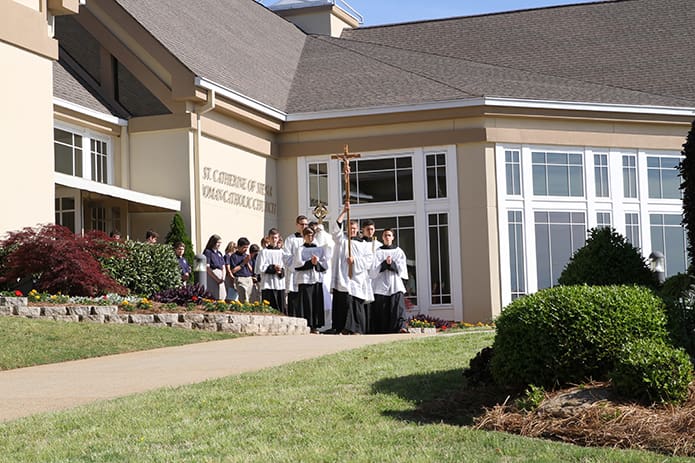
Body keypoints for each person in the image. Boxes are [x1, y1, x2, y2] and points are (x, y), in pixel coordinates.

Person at [330, 202, 373, 334]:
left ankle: (355, 329)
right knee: (343, 302)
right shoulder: (342, 241)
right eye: (350, 228)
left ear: (358, 229)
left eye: (354, 228)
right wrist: (344, 212)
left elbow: (369, 260)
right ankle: (342, 328)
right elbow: (335, 230)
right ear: (347, 228)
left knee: (355, 304)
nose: (352, 230)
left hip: (357, 278)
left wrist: (355, 261)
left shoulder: (364, 244)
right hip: (343, 277)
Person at [370, 229, 408, 333]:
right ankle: (381, 330)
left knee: (398, 308)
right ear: (382, 238)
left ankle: (401, 327)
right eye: (385, 235)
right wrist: (384, 264)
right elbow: (373, 270)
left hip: (395, 284)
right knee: (381, 310)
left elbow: (402, 269)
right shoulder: (377, 252)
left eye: (389, 235)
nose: (387, 237)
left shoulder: (398, 251)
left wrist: (391, 264)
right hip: (380, 285)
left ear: (393, 237)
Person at [294, 227, 328, 333]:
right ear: (304, 237)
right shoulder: (300, 249)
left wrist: (317, 263)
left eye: (312, 235)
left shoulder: (320, 249)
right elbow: (297, 264)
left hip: (316, 279)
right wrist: (310, 262)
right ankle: (306, 324)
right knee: (306, 303)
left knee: (316, 302)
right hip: (305, 279)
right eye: (308, 235)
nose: (310, 237)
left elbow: (325, 264)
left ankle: (315, 325)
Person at [357, 218, 381, 333]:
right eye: (368, 229)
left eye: (372, 229)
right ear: (363, 230)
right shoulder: (359, 243)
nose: (370, 231)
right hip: (363, 277)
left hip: (376, 278)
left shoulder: (379, 245)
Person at [254, 228, 286, 314]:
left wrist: (280, 271)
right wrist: (273, 267)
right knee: (268, 309)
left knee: (280, 308)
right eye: (272, 237)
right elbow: (260, 268)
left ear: (278, 238)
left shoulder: (282, 252)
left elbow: (286, 267)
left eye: (276, 238)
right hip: (268, 284)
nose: (274, 240)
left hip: (279, 284)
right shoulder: (263, 252)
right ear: (268, 238)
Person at [283, 215, 309, 317]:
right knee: (294, 298)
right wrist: (297, 266)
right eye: (302, 224)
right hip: (295, 273)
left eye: (306, 224)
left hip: (307, 275)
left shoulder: (310, 238)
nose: (304, 226)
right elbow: (286, 256)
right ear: (297, 225)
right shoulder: (290, 239)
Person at [229, 237, 254, 303]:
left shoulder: (246, 256)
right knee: (244, 298)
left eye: (247, 247)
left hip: (249, 278)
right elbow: (233, 270)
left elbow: (251, 270)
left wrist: (248, 262)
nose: (246, 249)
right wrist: (243, 263)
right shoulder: (234, 256)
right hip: (240, 278)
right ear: (239, 246)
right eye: (244, 247)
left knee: (249, 299)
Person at [203, 234, 226, 300]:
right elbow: (207, 267)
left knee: (222, 296)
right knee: (214, 295)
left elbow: (223, 266)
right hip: (212, 276)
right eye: (218, 242)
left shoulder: (219, 253)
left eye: (220, 243)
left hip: (221, 276)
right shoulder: (208, 252)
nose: (219, 244)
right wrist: (216, 279)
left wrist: (223, 277)